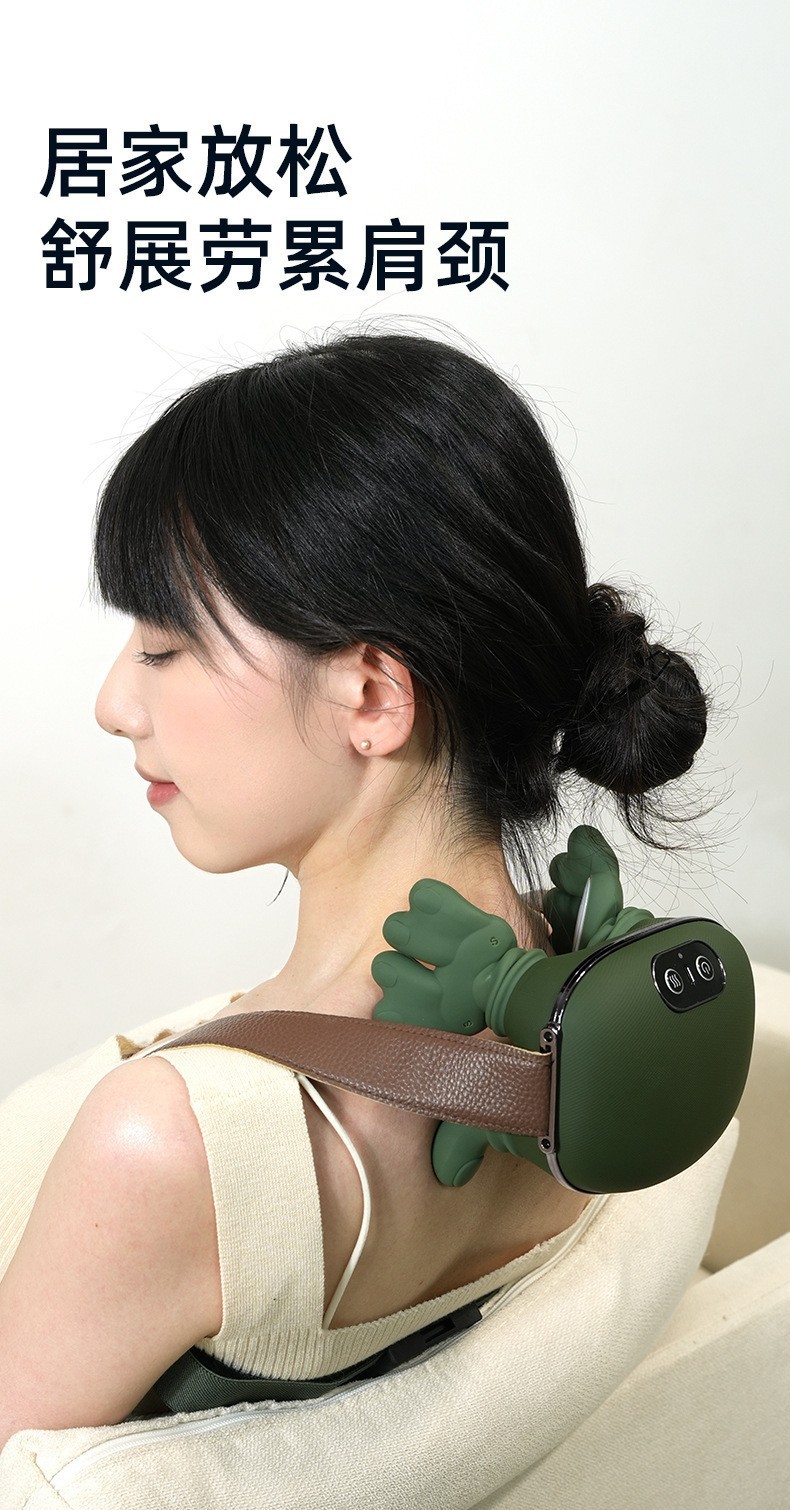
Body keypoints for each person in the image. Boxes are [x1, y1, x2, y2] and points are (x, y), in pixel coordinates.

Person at [0, 324, 710, 1447]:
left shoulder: (175, 1145)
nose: (114, 703)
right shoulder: (603, 1014)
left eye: (165, 645)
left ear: (373, 697)